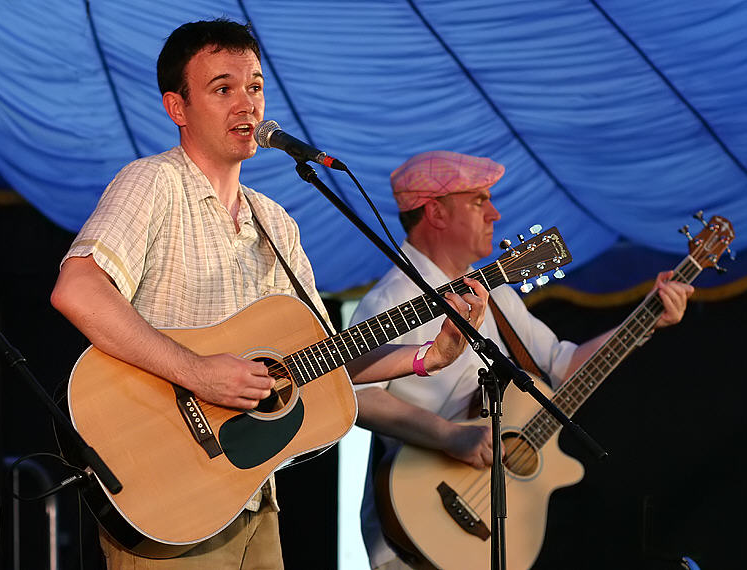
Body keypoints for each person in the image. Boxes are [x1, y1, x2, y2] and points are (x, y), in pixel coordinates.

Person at [50, 21, 488, 570]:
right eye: (223, 88)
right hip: (167, 492)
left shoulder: (274, 222)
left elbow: (323, 357)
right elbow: (78, 290)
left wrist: (429, 356)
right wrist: (198, 373)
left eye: (255, 87)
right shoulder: (153, 182)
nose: (246, 105)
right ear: (177, 108)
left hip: (252, 495)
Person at [350, 150, 694, 570]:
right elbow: (356, 395)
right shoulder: (393, 299)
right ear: (436, 213)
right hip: (416, 531)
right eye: (479, 201)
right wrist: (449, 436)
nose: (495, 213)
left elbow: (562, 365)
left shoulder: (494, 294)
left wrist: (647, 319)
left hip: (487, 534)